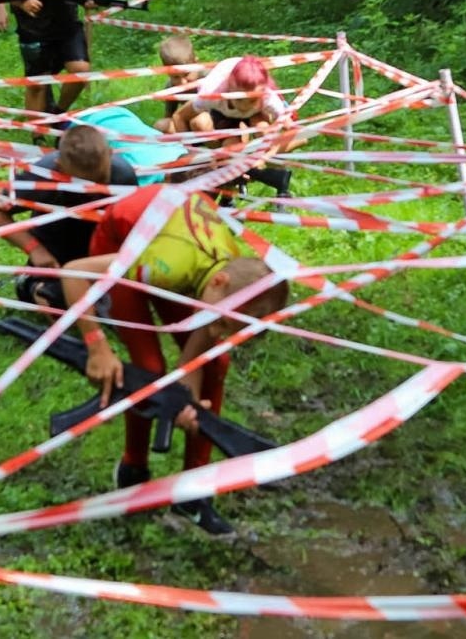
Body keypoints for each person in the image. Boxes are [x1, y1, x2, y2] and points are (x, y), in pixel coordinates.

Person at [48, 184, 289, 535]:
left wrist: (188, 380)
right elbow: (73, 273)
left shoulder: (231, 271)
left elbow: (208, 330)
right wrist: (97, 347)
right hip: (122, 240)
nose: (219, 333)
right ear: (219, 282)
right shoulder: (163, 267)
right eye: (222, 322)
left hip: (173, 245)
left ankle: (194, 491)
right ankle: (133, 468)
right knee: (149, 369)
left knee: (214, 364)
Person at [0, 124, 138, 289]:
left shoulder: (123, 175)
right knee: (53, 297)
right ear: (59, 167)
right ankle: (31, 283)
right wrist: (35, 250)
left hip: (103, 253)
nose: (92, 189)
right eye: (81, 183)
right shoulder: (43, 174)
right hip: (56, 253)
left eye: (101, 180)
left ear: (111, 154)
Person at [165, 55, 295, 198]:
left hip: (257, 112)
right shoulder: (212, 93)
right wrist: (191, 156)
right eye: (240, 99)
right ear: (229, 90)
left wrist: (265, 157)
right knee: (229, 152)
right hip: (224, 111)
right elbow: (179, 116)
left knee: (264, 132)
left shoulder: (268, 98)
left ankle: (280, 184)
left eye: (252, 100)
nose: (245, 106)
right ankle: (229, 195)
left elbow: (294, 132)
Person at [155, 35, 200, 132]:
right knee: (161, 125)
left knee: (199, 121)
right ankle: (186, 145)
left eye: (187, 74)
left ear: (196, 63)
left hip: (212, 123)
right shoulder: (170, 88)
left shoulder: (209, 77)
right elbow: (169, 116)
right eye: (175, 77)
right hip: (187, 125)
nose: (182, 82)